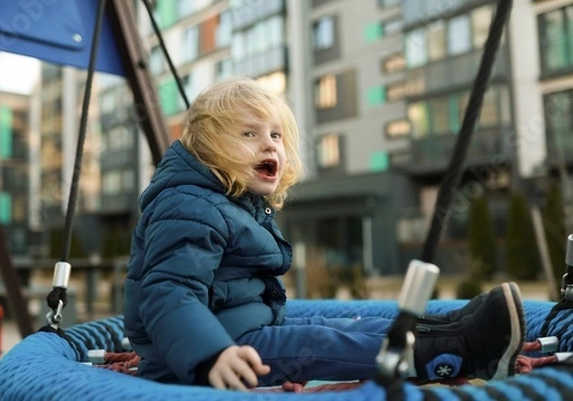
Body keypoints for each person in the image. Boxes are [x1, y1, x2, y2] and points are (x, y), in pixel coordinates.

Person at [124, 77, 525, 390]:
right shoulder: (190, 206)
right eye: (249, 134)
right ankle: (457, 352)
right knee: (322, 343)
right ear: (209, 149)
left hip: (243, 333)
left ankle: (447, 329)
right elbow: (169, 291)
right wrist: (211, 354)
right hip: (209, 357)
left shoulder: (230, 202)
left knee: (343, 326)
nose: (270, 144)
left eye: (276, 135)